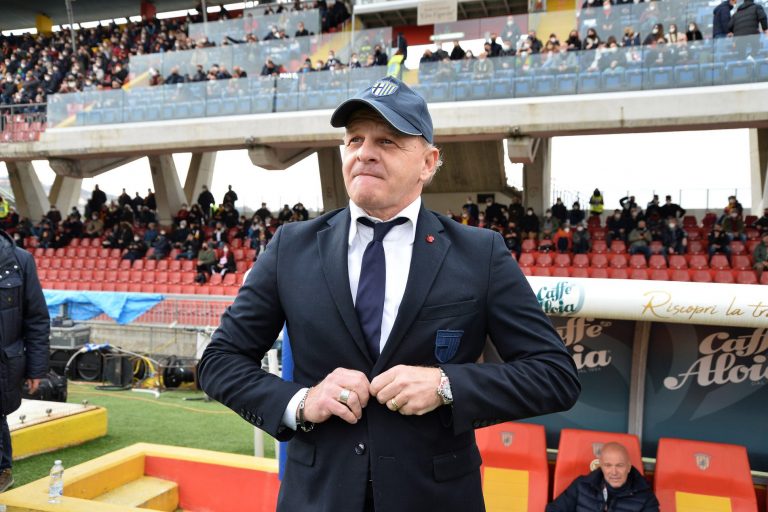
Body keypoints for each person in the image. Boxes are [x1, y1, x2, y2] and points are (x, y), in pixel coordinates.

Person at [198, 76, 580, 512]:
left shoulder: (481, 253)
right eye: (354, 139)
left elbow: (554, 375)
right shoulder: (291, 247)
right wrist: (302, 402)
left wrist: (445, 385)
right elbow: (219, 362)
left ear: (428, 162)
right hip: (318, 498)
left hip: (435, 500)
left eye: (387, 140)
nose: (364, 152)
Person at [0, 228, 50, 492]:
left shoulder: (20, 260)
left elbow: (37, 319)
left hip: (5, 362)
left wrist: (36, 369)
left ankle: (3, 471)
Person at [546, 442, 660, 511]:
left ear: (629, 467)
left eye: (619, 465)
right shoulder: (581, 485)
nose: (614, 472)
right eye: (608, 465)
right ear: (601, 466)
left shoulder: (645, 496)